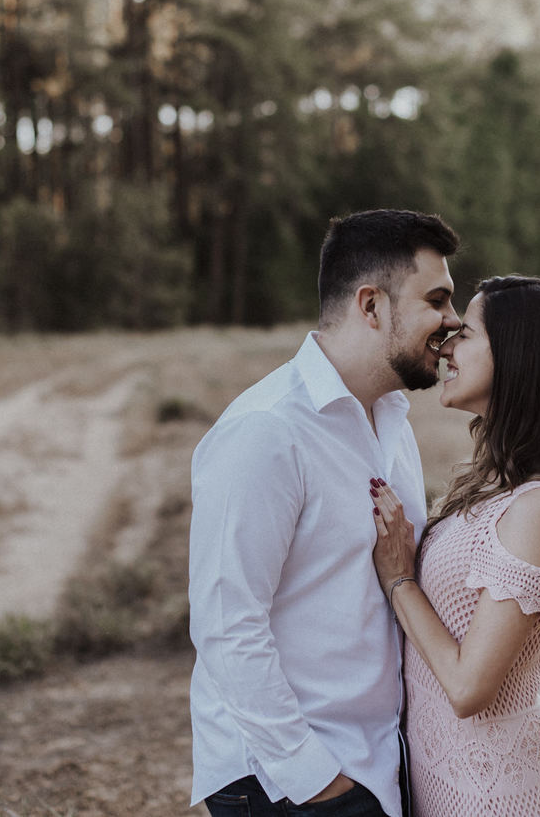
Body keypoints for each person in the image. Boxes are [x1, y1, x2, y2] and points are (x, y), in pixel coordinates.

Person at [188, 209, 462, 817]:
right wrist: (315, 783)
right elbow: (226, 624)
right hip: (289, 780)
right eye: (438, 300)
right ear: (371, 305)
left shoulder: (392, 423)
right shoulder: (266, 431)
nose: (454, 321)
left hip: (374, 766)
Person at [370, 275, 540, 816]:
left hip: (500, 796)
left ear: (518, 356)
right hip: (447, 782)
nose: (445, 347)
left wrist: (399, 580)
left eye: (465, 334)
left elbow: (468, 688)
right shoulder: (498, 488)